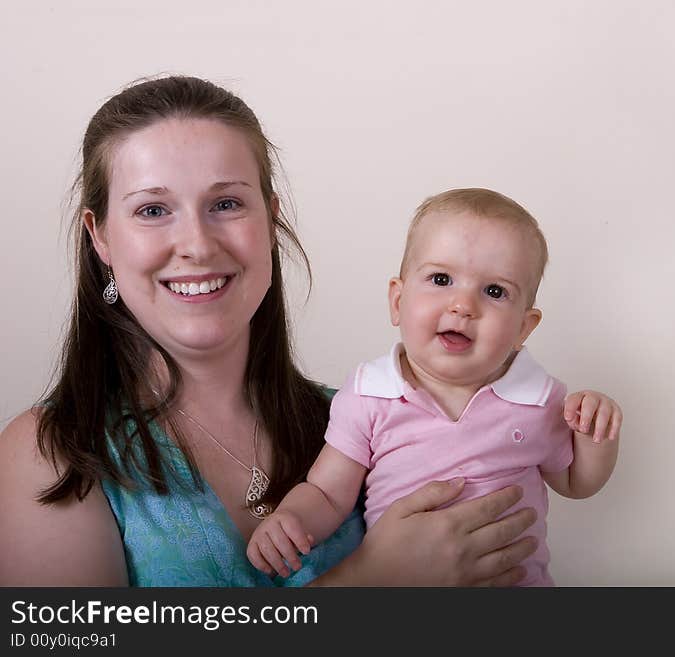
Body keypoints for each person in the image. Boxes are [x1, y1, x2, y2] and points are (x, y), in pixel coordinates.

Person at [0, 77, 542, 587]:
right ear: (101, 239)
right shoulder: (52, 452)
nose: (197, 244)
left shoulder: (365, 418)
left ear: (271, 220)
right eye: (153, 209)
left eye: (227, 203)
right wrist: (369, 584)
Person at [247, 188, 623, 586]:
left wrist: (596, 431)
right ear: (397, 300)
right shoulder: (370, 394)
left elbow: (577, 482)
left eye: (494, 291)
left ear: (523, 328)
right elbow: (326, 493)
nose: (463, 305)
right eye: (441, 279)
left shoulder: (538, 399)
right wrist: (289, 520)